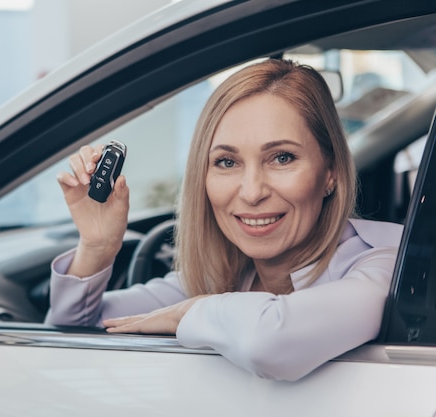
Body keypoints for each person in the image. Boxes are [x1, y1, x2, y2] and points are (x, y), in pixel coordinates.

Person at [45, 59, 403, 381]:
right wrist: (98, 247)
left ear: (331, 173)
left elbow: (269, 343)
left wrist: (188, 313)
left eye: (281, 158)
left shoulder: (388, 263)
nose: (251, 192)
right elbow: (75, 331)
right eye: (227, 162)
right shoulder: (221, 275)